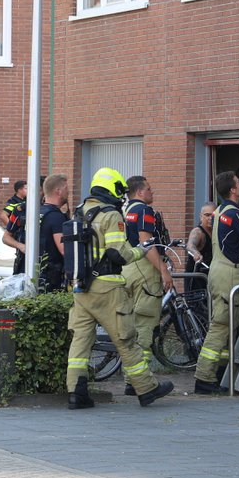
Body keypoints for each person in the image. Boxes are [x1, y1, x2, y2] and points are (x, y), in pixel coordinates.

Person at [64, 168, 173, 410]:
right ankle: (146, 388)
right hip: (107, 287)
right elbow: (117, 252)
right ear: (112, 188)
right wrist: (140, 251)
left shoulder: (80, 212)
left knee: (80, 342)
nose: (122, 196)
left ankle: (76, 393)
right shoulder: (111, 215)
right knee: (126, 338)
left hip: (80, 288)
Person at [194, 172, 239, 395]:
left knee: (228, 326)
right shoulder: (234, 213)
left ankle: (221, 374)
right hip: (229, 274)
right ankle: (203, 378)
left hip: (219, 271)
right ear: (232, 190)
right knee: (221, 325)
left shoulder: (221, 211)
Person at [121, 175, 174, 391]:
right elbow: (146, 243)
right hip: (144, 270)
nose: (152, 192)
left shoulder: (123, 210)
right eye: (149, 189)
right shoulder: (144, 211)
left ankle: (131, 379)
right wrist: (163, 271)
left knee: (131, 325)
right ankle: (139, 382)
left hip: (126, 269)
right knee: (144, 326)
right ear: (140, 192)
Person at [36, 173, 70, 291]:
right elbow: (64, 249)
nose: (68, 192)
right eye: (66, 189)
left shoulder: (37, 213)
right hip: (51, 278)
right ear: (59, 191)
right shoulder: (56, 217)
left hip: (37, 273)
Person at [0, 180, 29, 273]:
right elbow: (3, 215)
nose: (28, 190)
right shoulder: (13, 201)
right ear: (19, 190)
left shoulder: (25, 201)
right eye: (26, 188)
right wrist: (13, 228)